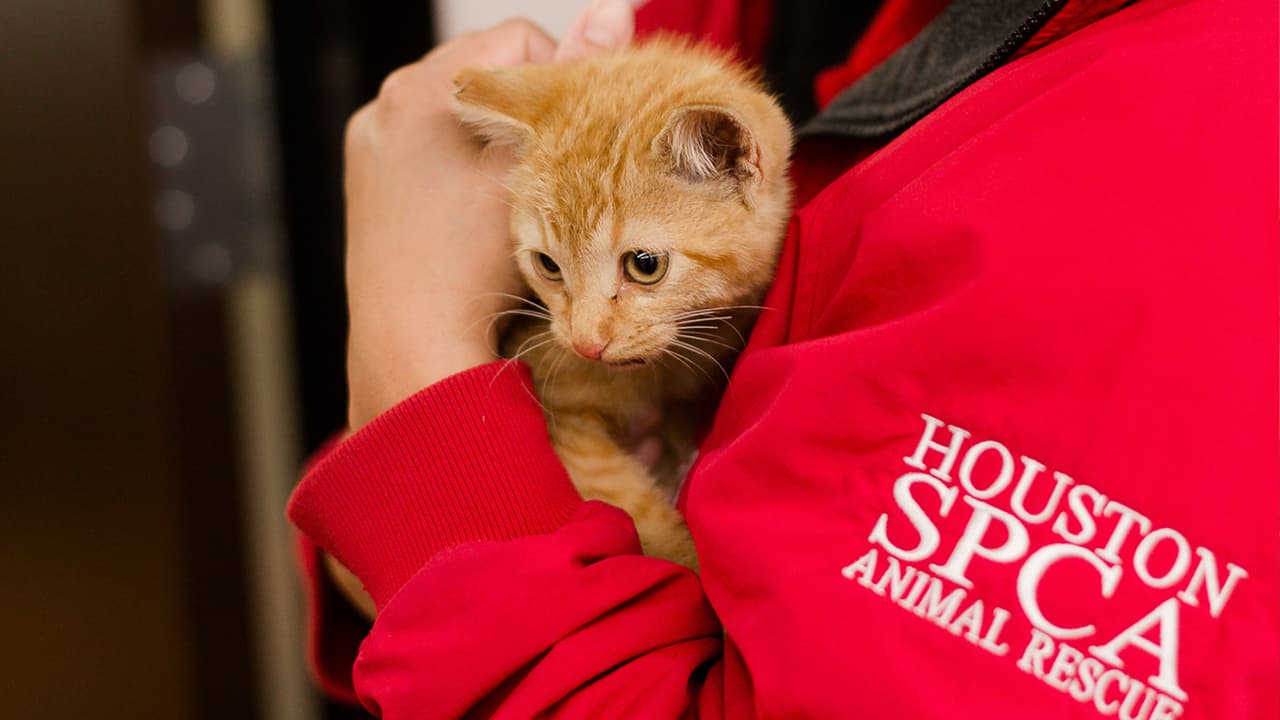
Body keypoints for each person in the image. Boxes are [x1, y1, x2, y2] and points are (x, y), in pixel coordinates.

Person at [288, 0, 1279, 717]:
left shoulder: (1207, 152)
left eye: (637, 265)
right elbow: (370, 560)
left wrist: (406, 341)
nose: (584, 329)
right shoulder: (750, 22)